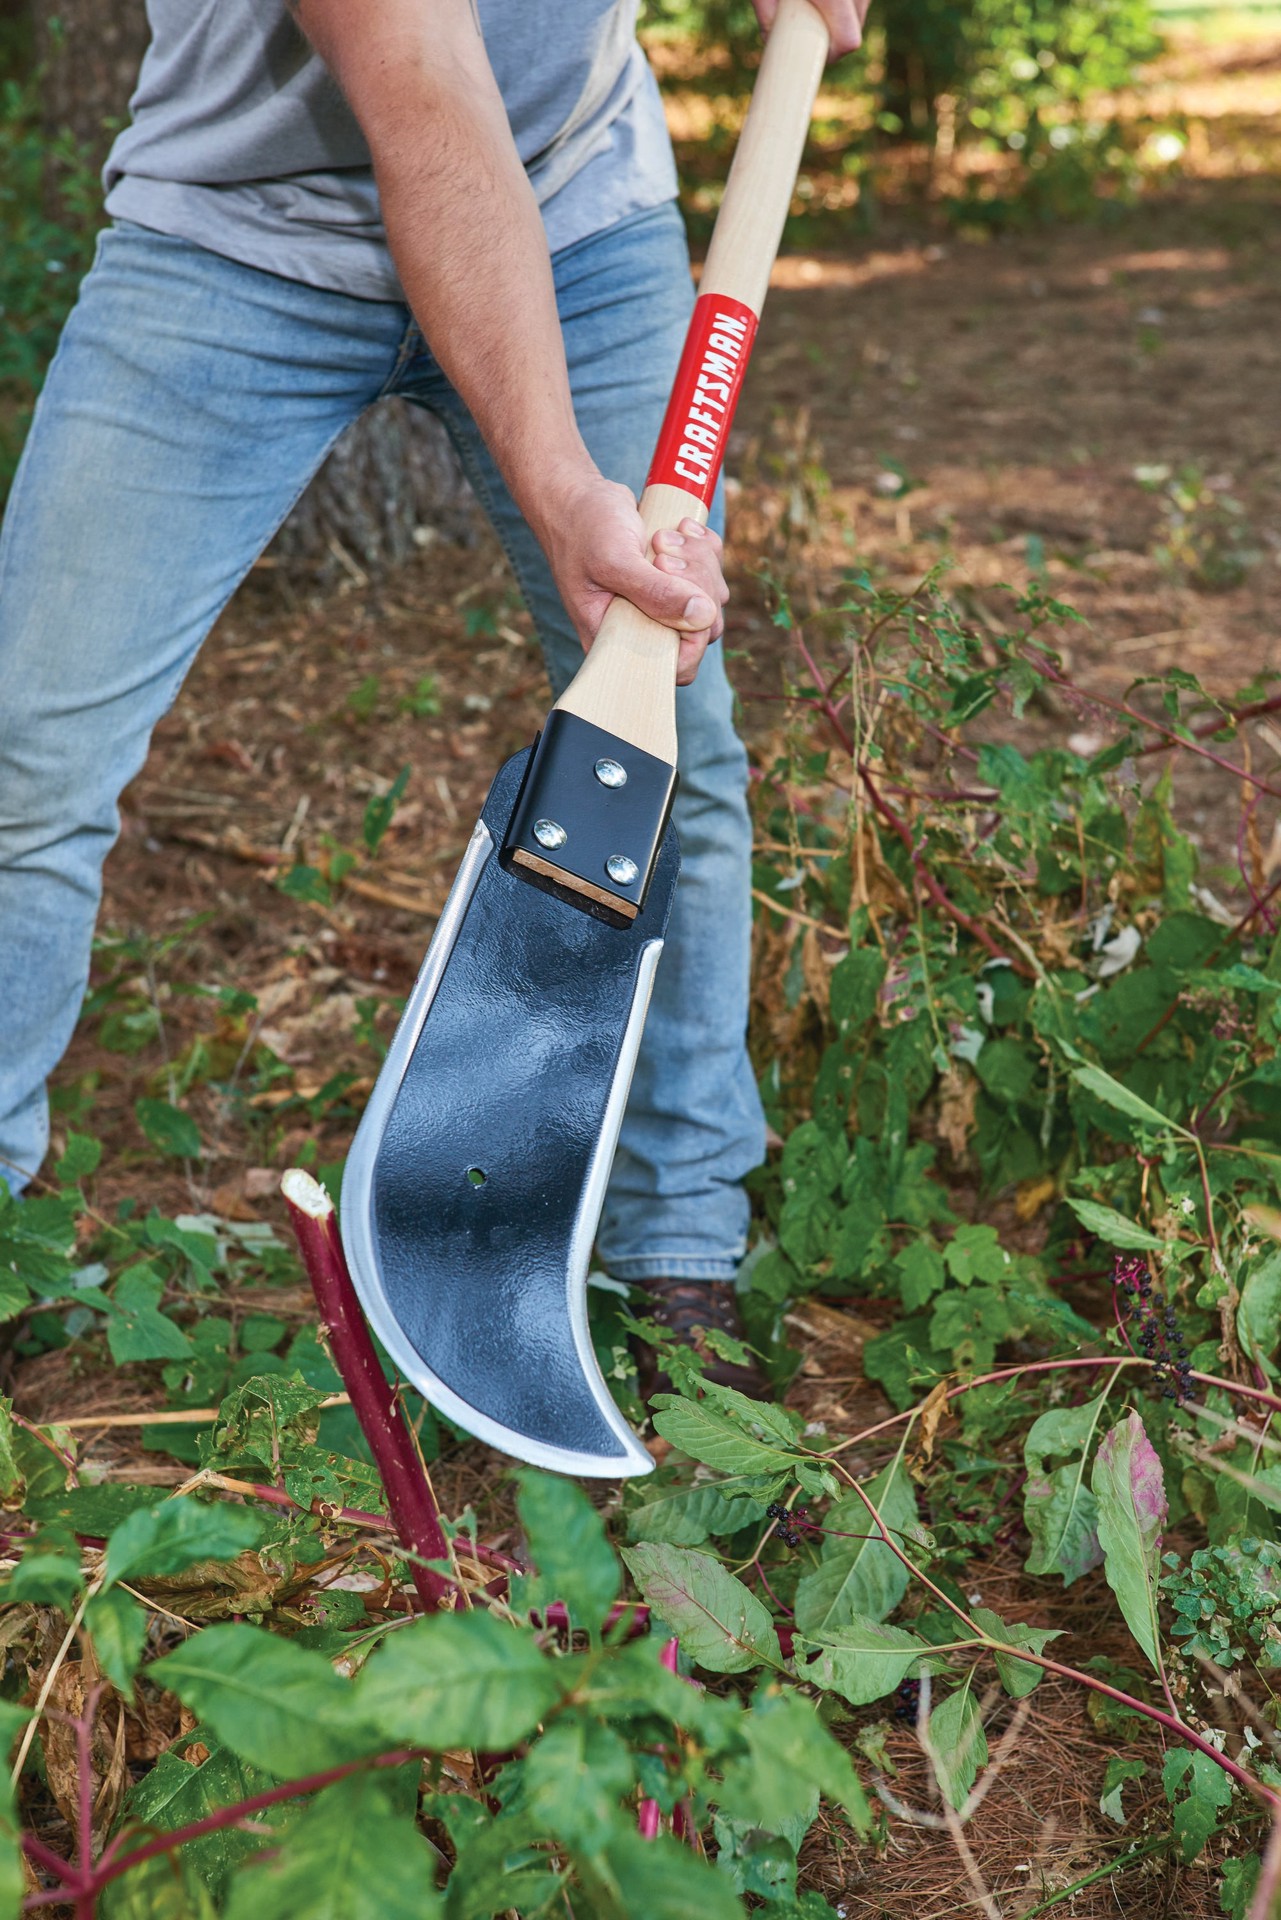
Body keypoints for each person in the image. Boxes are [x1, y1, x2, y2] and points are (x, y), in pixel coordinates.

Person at [0, 0, 866, 1395]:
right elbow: (427, 107)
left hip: (581, 214)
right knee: (22, 762)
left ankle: (677, 1252)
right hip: (234, 240)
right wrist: (569, 488)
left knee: (677, 765)